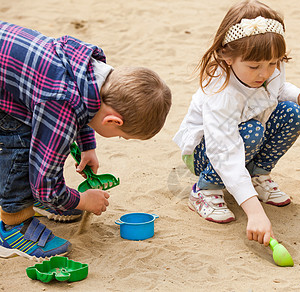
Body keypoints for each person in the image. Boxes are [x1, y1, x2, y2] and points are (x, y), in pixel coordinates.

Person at [173, 0, 300, 246]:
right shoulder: (221, 93)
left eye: (273, 63)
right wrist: (254, 213)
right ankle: (205, 190)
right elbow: (224, 151)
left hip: (248, 138)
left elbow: (278, 89)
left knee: (293, 113)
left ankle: (256, 175)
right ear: (227, 56)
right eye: (254, 66)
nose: (265, 73)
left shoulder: (268, 69)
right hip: (207, 153)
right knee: (251, 131)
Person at [0, 21, 172, 259]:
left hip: (12, 68)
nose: (119, 138)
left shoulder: (91, 70)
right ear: (114, 121)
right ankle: (13, 225)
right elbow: (45, 184)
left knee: (38, 138)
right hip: (7, 96)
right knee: (20, 141)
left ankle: (32, 199)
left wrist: (87, 146)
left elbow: (84, 108)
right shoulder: (60, 102)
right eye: (122, 136)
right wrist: (81, 200)